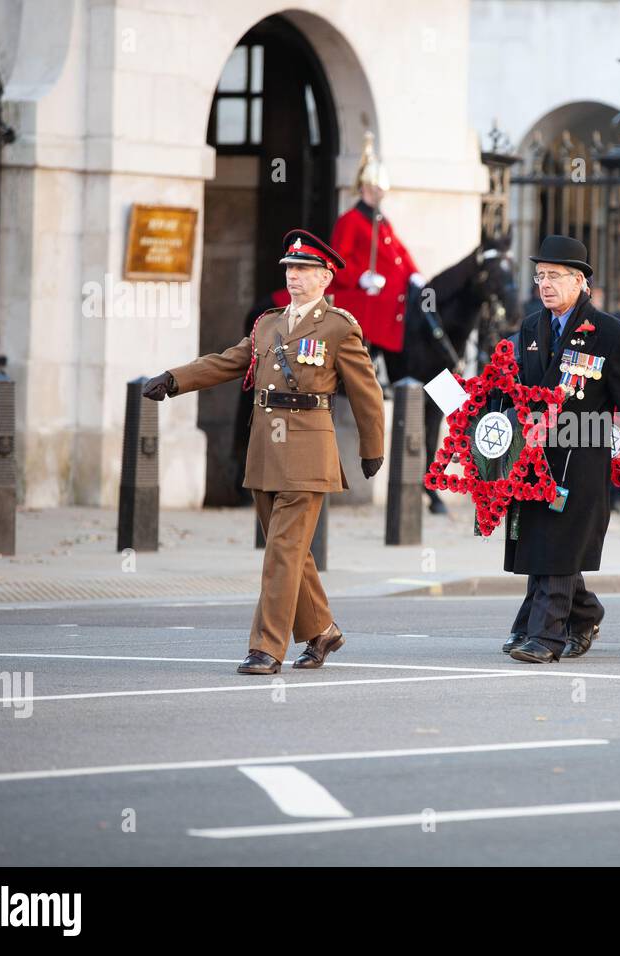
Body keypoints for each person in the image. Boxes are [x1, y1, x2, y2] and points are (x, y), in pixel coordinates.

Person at [141, 230, 385, 674]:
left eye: (304, 270)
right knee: (289, 550)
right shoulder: (268, 324)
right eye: (290, 269)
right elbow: (227, 361)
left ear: (326, 278)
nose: (294, 276)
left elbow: (367, 392)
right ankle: (323, 631)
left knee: (280, 553)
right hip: (265, 451)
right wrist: (174, 379)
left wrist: (372, 448)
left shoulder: (338, 327)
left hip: (309, 455)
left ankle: (266, 648)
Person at [503, 236, 620, 663]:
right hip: (535, 458)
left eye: (554, 276)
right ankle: (584, 613)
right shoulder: (531, 326)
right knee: (539, 541)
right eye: (540, 276)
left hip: (581, 456)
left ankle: (546, 636)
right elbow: (517, 386)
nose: (545, 284)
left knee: (561, 541)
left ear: (580, 281)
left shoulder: (611, 333)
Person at [326, 131, 424, 356]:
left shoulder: (381, 221)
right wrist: (360, 277)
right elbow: (336, 261)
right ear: (365, 188)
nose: (379, 194)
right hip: (366, 300)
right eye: (375, 189)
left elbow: (399, 252)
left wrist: (414, 273)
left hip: (391, 303)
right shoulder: (351, 220)